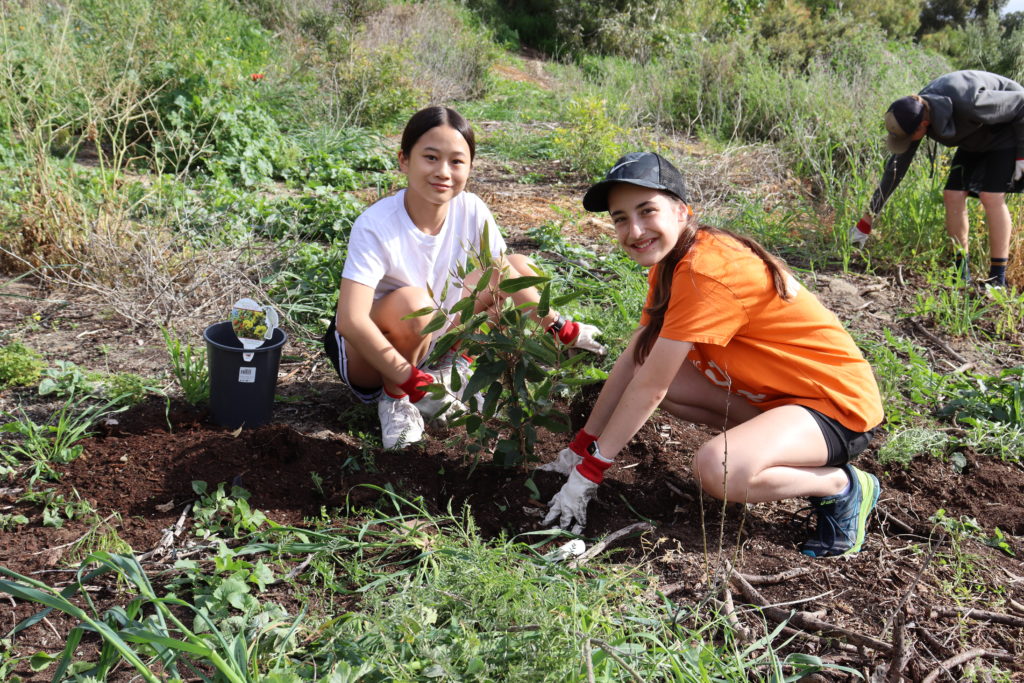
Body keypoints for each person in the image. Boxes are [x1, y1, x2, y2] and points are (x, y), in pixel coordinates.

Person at [542, 152, 885, 558]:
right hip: (780, 401)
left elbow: (650, 387)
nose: (634, 230)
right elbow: (637, 359)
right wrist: (580, 449)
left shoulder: (706, 271)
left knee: (717, 469)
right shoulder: (672, 261)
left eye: (646, 210)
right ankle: (776, 446)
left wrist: (591, 474)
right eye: (620, 218)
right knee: (649, 360)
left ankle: (841, 486)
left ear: (682, 210)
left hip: (836, 409)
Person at [324, 106, 606, 449]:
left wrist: (562, 329)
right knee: (416, 305)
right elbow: (350, 320)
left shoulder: (470, 209)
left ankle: (448, 368)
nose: (443, 172)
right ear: (404, 160)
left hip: (428, 340)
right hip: (369, 357)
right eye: (430, 157)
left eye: (457, 161)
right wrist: (412, 383)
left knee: (517, 266)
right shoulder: (376, 224)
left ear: (470, 168)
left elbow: (505, 276)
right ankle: (396, 400)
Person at [850, 70, 1024, 288]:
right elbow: (896, 168)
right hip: (976, 137)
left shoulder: (971, 102)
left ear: (923, 126)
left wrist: (1021, 155)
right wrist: (868, 218)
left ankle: (997, 280)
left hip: (1008, 131)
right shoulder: (914, 111)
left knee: (990, 196)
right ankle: (960, 274)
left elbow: (1021, 102)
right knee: (952, 194)